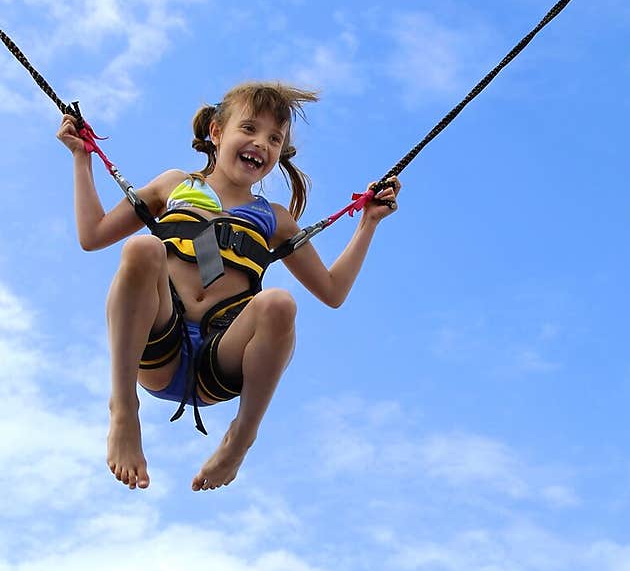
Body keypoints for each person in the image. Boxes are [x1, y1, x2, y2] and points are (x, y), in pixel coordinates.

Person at [57, 81, 399, 492]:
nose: (262, 143)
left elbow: (332, 291)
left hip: (223, 360)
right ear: (217, 132)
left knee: (278, 303)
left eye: (275, 138)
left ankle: (241, 437)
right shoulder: (174, 186)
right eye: (250, 129)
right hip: (158, 345)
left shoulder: (273, 218)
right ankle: (123, 408)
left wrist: (368, 224)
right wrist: (81, 159)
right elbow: (93, 235)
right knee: (143, 249)